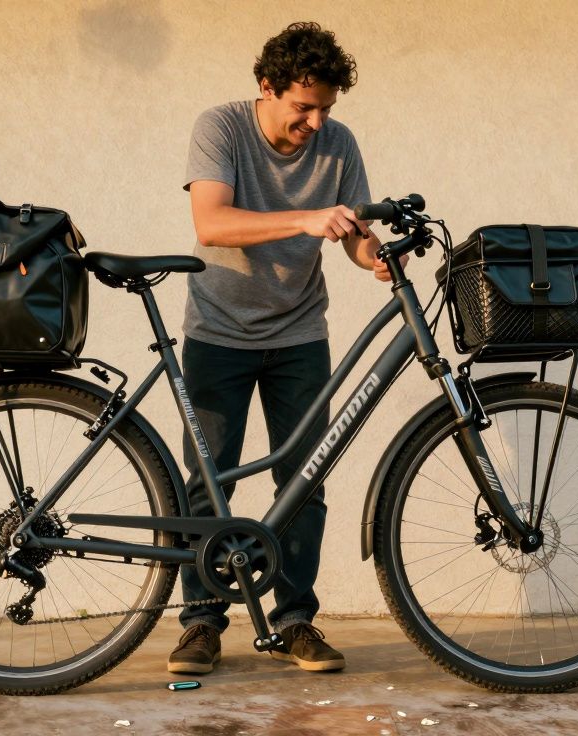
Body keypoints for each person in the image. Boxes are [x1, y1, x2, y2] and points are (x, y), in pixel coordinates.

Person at [168, 21, 400, 675]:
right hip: (218, 331)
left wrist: (376, 258)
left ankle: (295, 620)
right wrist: (303, 217)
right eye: (304, 107)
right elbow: (211, 221)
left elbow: (353, 233)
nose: (317, 122)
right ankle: (201, 625)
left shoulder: (338, 143)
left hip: (300, 335)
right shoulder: (221, 128)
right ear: (266, 88)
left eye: (326, 107)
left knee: (305, 480)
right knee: (208, 486)